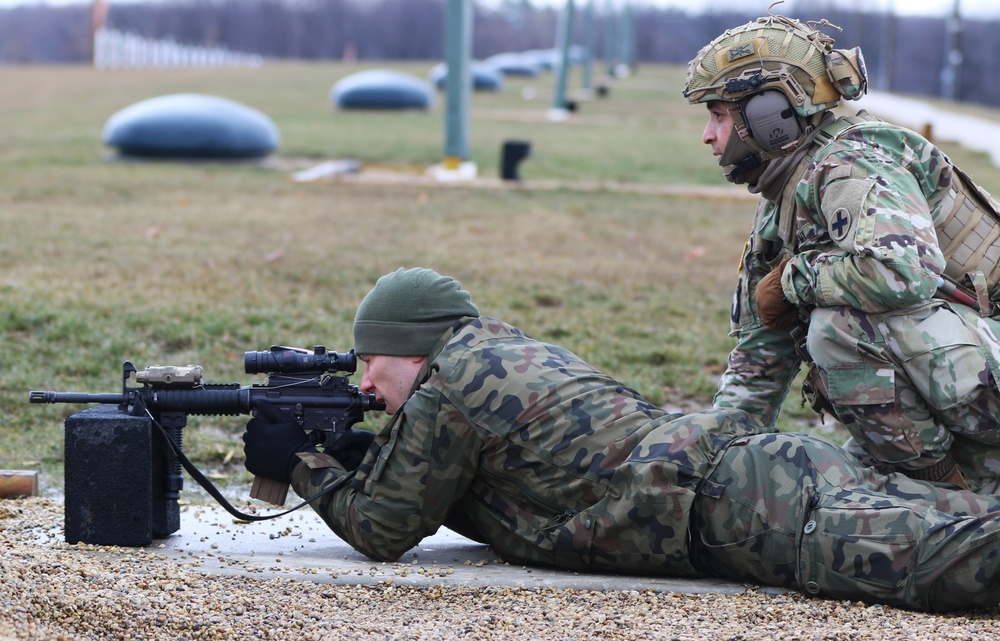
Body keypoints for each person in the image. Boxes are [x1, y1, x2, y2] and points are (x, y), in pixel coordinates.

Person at [244, 267, 1000, 612]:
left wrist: (301, 465)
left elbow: (382, 529)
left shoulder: (453, 387)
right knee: (968, 514)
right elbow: (468, 477)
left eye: (371, 365)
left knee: (964, 564)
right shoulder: (499, 353)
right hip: (767, 470)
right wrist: (358, 454)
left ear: (413, 349)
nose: (368, 387)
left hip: (756, 515)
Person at [682, 11, 1000, 492]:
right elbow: (761, 347)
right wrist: (711, 453)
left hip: (982, 364)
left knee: (839, 329)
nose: (708, 135)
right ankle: (937, 477)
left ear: (770, 117)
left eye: (719, 115)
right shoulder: (784, 197)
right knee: (842, 477)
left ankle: (945, 493)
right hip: (970, 374)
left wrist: (796, 280)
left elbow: (903, 273)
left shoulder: (852, 164)